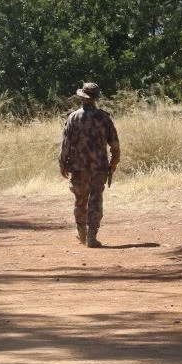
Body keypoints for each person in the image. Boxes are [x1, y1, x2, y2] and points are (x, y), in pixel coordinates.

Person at [59, 82, 120, 248]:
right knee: (95, 200)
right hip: (99, 167)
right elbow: (114, 144)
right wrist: (114, 162)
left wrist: (62, 164)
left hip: (78, 167)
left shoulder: (73, 117)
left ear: (81, 97)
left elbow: (65, 144)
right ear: (96, 99)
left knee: (80, 200)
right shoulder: (104, 118)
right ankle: (92, 235)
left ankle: (81, 233)